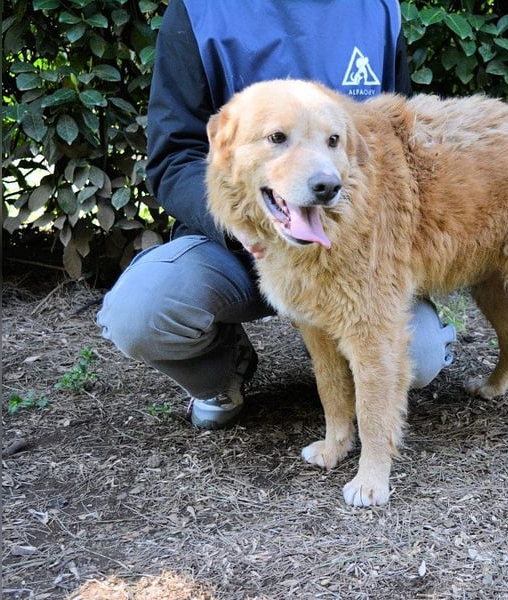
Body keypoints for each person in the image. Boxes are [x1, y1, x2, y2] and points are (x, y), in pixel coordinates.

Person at [97, 0, 456, 429]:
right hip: (238, 246)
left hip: (348, 254)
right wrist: (239, 227)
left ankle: (338, 364)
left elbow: (398, 144)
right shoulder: (198, 11)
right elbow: (175, 156)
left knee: (419, 355)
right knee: (140, 312)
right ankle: (224, 369)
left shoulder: (378, 10)